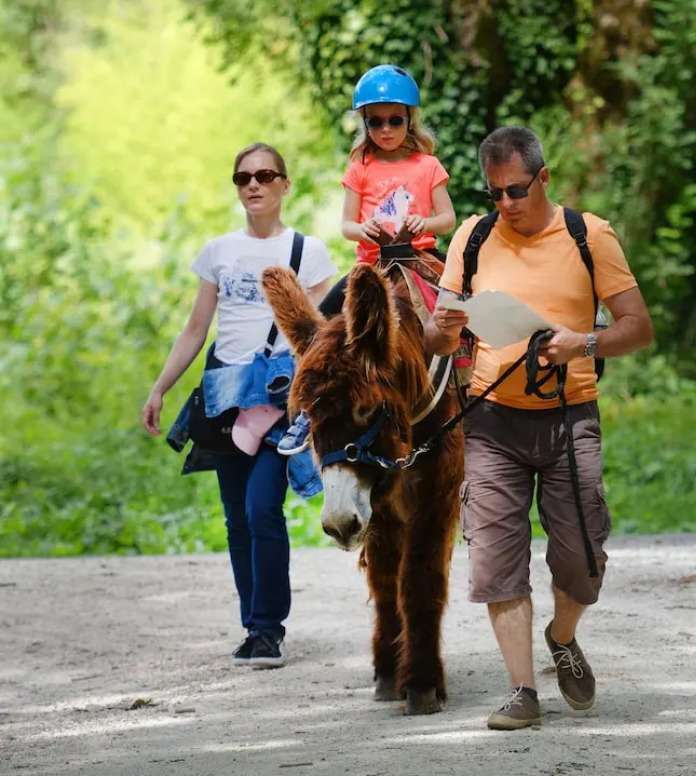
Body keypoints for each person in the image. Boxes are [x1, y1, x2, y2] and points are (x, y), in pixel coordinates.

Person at [425, 125, 653, 730]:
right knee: (496, 562)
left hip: (568, 418)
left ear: (544, 178)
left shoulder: (588, 236)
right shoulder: (472, 238)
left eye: (517, 190)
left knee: (582, 560)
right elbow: (436, 335)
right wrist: (445, 326)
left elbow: (638, 327)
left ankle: (563, 634)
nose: (506, 203)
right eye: (495, 191)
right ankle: (523, 691)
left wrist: (587, 341)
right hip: (492, 423)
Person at [141, 143, 336, 668]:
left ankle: (270, 629)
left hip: (280, 400)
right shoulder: (218, 252)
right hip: (225, 396)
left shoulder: (307, 252)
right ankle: (253, 625)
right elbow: (196, 328)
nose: (253, 184)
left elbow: (325, 335)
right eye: (243, 177)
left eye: (265, 175)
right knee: (235, 520)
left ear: (284, 185)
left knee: (261, 509)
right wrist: (160, 387)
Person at [277, 64, 456, 455]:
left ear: (410, 120)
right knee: (321, 332)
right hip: (372, 265)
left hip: (419, 256)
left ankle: (471, 387)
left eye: (395, 120)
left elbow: (448, 218)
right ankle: (306, 416)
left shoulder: (427, 166)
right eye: (376, 122)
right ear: (365, 124)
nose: (386, 129)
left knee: (461, 307)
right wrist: (365, 228)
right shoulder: (360, 168)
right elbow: (346, 224)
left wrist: (422, 222)